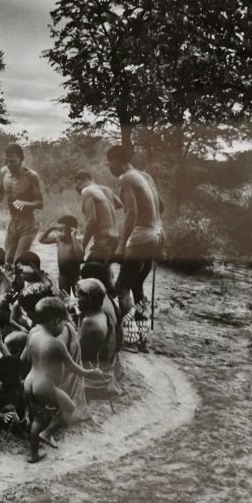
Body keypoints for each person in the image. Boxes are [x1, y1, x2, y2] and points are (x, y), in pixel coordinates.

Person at [22, 297, 107, 463]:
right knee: (70, 407)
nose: (64, 328)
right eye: (63, 324)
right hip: (43, 385)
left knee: (38, 418)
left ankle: (33, 454)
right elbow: (74, 368)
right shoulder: (56, 344)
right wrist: (91, 373)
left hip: (29, 382)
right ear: (55, 322)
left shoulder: (32, 335)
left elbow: (24, 357)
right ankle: (48, 433)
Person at [106, 145, 165, 352]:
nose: (108, 166)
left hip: (142, 237)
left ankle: (128, 338)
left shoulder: (126, 178)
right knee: (138, 288)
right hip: (157, 235)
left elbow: (131, 213)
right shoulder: (145, 176)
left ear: (117, 160)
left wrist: (121, 244)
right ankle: (142, 339)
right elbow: (162, 206)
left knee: (122, 286)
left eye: (109, 161)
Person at [0, 144, 44, 266]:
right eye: (6, 161)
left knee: (18, 263)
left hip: (28, 224)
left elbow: (40, 204)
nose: (9, 165)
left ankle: (28, 281)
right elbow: (0, 195)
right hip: (13, 223)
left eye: (13, 161)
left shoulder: (31, 176)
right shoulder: (4, 172)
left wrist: (26, 204)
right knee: (6, 261)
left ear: (21, 159)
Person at [76, 278, 123, 393]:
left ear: (89, 299)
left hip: (96, 380)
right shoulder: (102, 314)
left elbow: (75, 351)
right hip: (106, 371)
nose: (76, 301)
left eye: (78, 298)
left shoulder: (90, 322)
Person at [74, 170, 121, 265]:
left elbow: (92, 221)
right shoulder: (106, 189)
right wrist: (104, 210)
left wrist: (82, 248)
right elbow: (120, 204)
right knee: (104, 271)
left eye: (78, 186)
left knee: (88, 273)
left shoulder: (86, 191)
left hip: (103, 241)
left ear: (79, 183)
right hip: (115, 239)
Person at [38, 215, 84, 296]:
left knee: (78, 298)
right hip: (63, 277)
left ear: (71, 230)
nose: (59, 233)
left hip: (75, 277)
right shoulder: (59, 240)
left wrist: (73, 236)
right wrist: (50, 229)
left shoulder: (77, 241)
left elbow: (80, 257)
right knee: (64, 298)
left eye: (62, 231)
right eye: (58, 230)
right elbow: (41, 240)